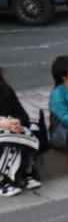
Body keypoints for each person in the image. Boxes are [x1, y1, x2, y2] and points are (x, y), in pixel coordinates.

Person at [0, 66, 39, 197]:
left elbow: (23, 115)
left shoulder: (5, 90)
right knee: (8, 138)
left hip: (9, 131)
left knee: (25, 131)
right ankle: (4, 181)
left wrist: (16, 122)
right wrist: (2, 123)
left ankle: (25, 174)